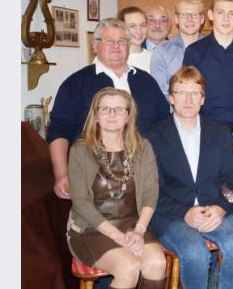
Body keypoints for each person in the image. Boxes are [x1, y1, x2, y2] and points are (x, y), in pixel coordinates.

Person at [145, 66, 233, 289]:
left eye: (195, 93)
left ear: (204, 98)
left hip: (214, 206)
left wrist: (219, 207)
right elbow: (151, 188)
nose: (189, 100)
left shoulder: (219, 131)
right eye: (181, 93)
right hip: (171, 212)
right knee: (194, 252)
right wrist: (185, 213)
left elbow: (232, 179)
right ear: (170, 98)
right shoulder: (154, 135)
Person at [66, 88, 166, 289]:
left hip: (133, 224)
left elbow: (151, 193)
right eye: (105, 109)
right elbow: (80, 202)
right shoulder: (80, 150)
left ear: (128, 115)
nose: (112, 114)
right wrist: (119, 237)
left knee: (157, 262)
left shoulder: (142, 147)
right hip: (91, 229)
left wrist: (139, 230)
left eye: (119, 109)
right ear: (96, 115)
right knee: (128, 266)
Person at [48, 17, 169, 200]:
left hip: (146, 176)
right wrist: (61, 174)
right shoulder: (75, 83)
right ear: (95, 45)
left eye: (121, 41)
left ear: (129, 46)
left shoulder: (146, 81)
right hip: (95, 179)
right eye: (108, 41)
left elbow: (165, 126)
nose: (116, 46)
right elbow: (58, 130)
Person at [183, 0, 233, 152]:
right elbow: (188, 97)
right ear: (210, 15)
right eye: (221, 12)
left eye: (232, 14)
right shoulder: (195, 52)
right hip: (204, 136)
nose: (226, 19)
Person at [151, 0, 207, 96]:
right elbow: (160, 92)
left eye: (194, 15)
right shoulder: (161, 52)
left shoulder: (212, 50)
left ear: (202, 19)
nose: (189, 19)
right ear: (176, 19)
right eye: (184, 15)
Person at [118, 6, 152, 72]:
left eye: (142, 25)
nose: (139, 31)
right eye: (132, 26)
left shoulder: (154, 58)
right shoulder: (108, 57)